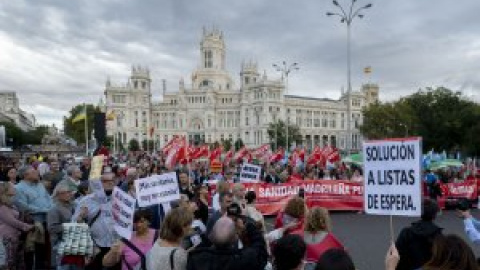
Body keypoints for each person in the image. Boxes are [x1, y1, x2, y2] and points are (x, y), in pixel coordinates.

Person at [72, 172, 119, 270]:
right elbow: (74, 224)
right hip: (95, 246)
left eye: (112, 180)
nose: (110, 183)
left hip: (116, 245)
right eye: (105, 181)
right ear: (97, 184)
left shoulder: (120, 198)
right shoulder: (86, 201)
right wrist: (80, 217)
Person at [186, 215, 269, 270]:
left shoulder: (197, 259)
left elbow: (198, 249)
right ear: (235, 238)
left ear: (211, 235)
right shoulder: (245, 260)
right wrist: (250, 226)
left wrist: (211, 236)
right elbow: (260, 249)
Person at [14, 166, 53, 270]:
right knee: (30, 251)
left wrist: (50, 208)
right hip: (32, 224)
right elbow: (24, 207)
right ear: (26, 175)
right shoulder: (18, 188)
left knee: (43, 250)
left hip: (46, 221)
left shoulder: (40, 185)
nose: (37, 173)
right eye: (33, 172)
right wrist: (44, 209)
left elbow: (49, 198)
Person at [395, 199, 443, 270]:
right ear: (434, 215)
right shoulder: (437, 234)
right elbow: (441, 257)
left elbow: (397, 254)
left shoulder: (406, 232)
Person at [0, 182, 34, 270]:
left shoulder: (12, 204)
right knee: (9, 263)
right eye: (12, 187)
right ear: (6, 191)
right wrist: (26, 226)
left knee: (18, 263)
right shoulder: (2, 207)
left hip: (16, 237)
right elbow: (12, 221)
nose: (14, 188)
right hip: (7, 238)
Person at [47, 184, 77, 270]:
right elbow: (52, 228)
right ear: (58, 195)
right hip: (61, 242)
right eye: (64, 193)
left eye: (69, 192)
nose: (68, 194)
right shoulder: (54, 209)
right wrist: (71, 225)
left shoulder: (75, 205)